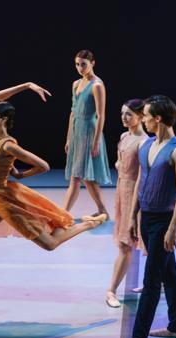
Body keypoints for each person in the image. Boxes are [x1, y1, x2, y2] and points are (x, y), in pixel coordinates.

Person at [0, 82, 106, 325]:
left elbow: (44, 165)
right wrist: (27, 86)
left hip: (5, 200)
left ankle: (88, 225)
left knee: (49, 244)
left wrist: (20, 175)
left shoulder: (7, 145)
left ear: (3, 120)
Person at [129, 95, 176, 338]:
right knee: (170, 274)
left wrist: (172, 229)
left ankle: (138, 337)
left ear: (157, 118)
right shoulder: (146, 146)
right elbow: (140, 183)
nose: (142, 119)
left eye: (145, 115)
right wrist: (133, 215)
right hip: (147, 218)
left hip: (165, 222)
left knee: (152, 280)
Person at [105, 99, 148, 308]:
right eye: (123, 113)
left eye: (129, 114)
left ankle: (111, 290)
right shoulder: (125, 136)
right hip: (122, 191)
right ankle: (160, 282)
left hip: (135, 195)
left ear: (140, 116)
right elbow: (120, 162)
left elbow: (142, 175)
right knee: (131, 242)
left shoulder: (143, 142)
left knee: (129, 243)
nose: (124, 117)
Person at [63, 49, 111, 219]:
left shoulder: (97, 85)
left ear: (92, 63)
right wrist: (69, 137)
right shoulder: (76, 84)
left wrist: (96, 141)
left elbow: (101, 115)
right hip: (77, 131)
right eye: (77, 64)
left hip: (90, 132)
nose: (80, 68)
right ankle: (103, 209)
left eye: (83, 64)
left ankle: (62, 215)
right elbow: (73, 112)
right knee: (86, 177)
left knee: (76, 177)